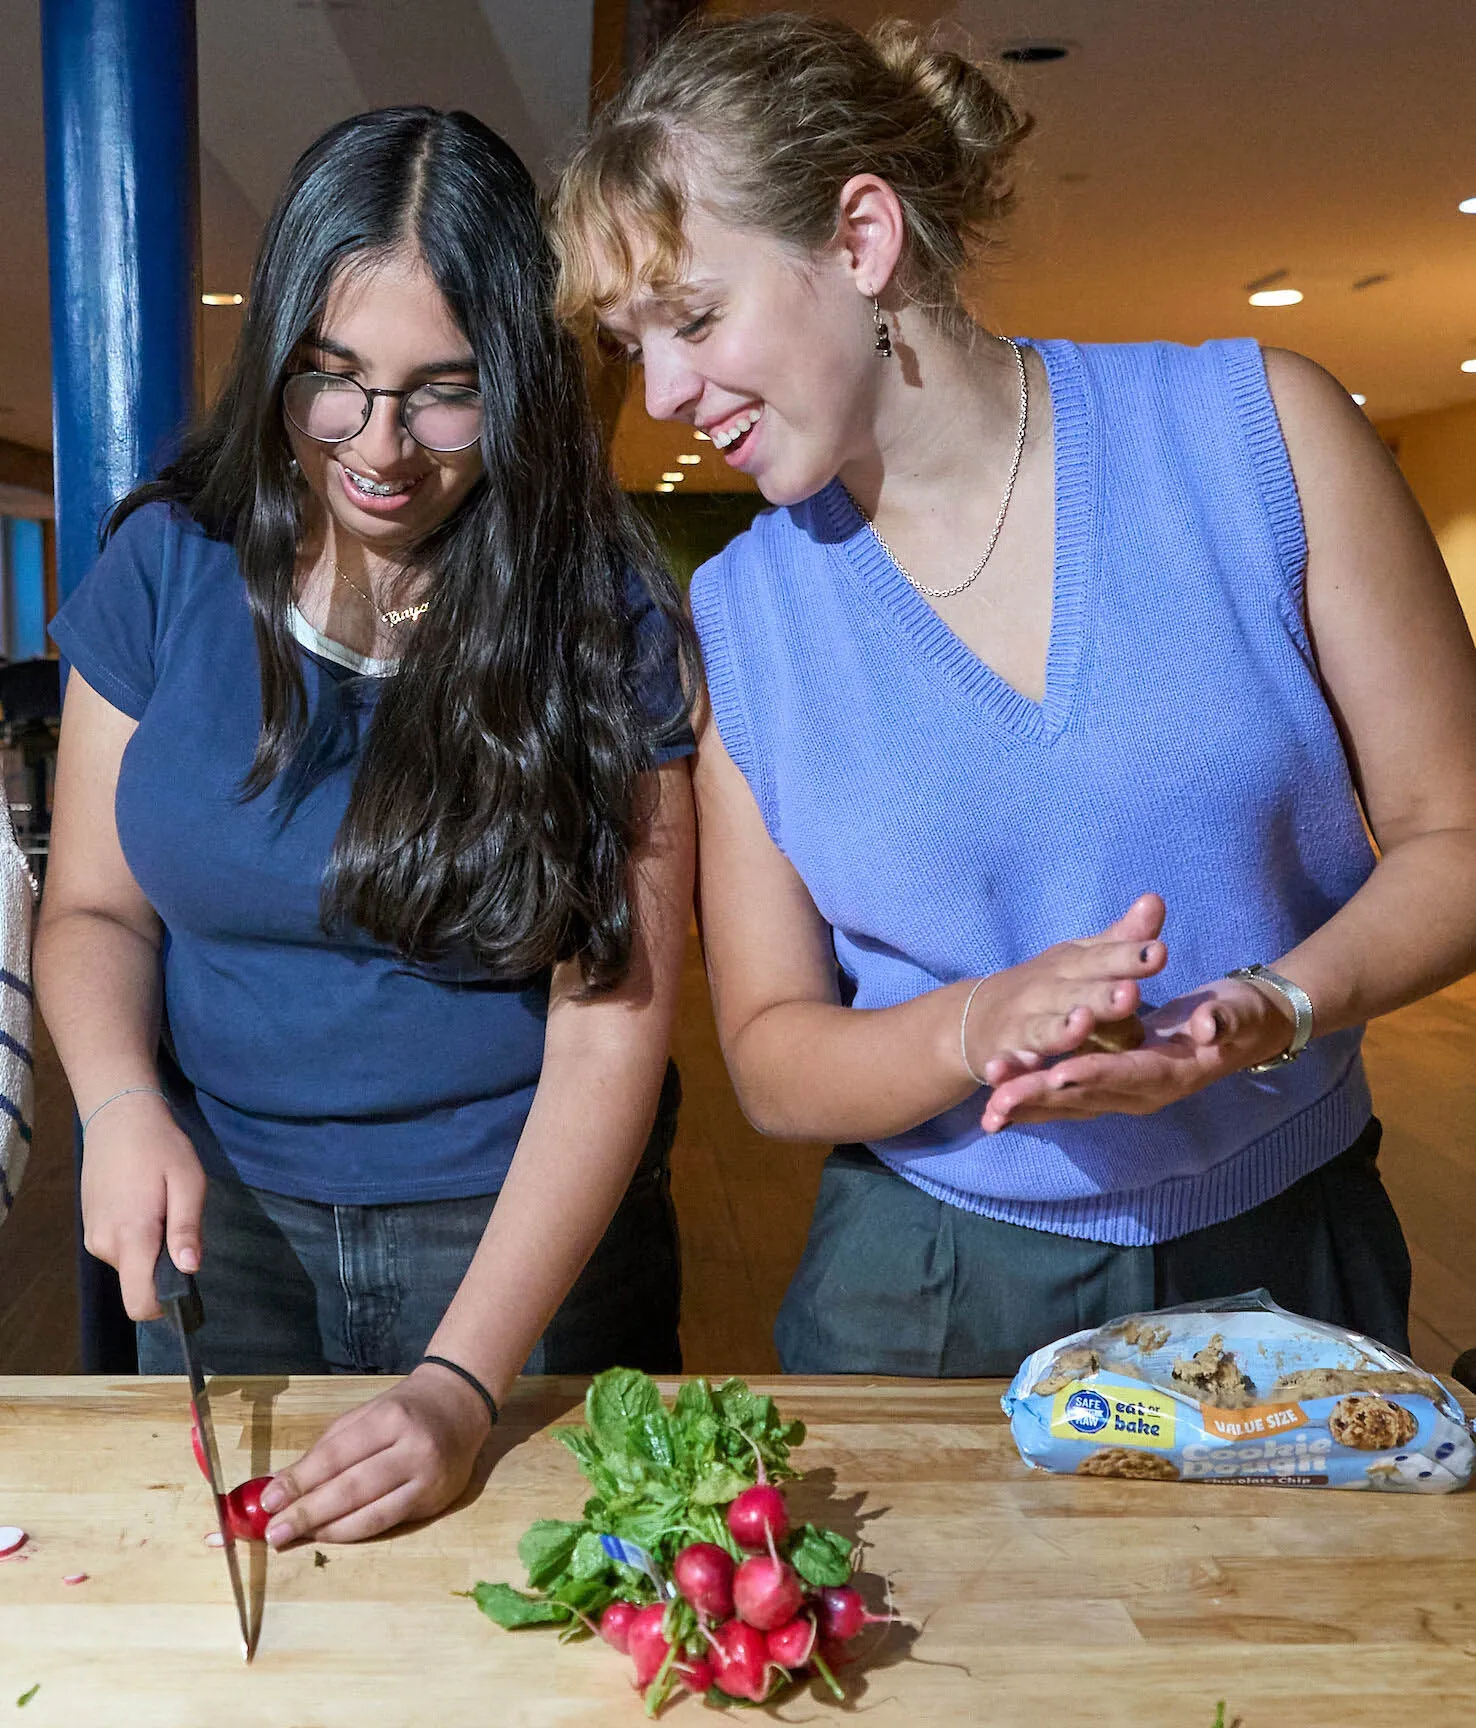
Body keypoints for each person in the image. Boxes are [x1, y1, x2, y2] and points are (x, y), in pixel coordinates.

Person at [550, 14, 1476, 1375]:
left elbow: (1457, 835)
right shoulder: (746, 617)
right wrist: (978, 1023)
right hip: (927, 1289)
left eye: (692, 319)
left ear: (862, 239)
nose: (667, 392)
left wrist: (1273, 1006)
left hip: (1288, 1248)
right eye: (635, 347)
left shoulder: (1262, 436)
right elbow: (772, 1053)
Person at [35, 107, 696, 1544]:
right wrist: (120, 1104)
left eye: (445, 395)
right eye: (331, 381)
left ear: (519, 381)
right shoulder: (167, 566)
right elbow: (92, 908)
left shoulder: (601, 613)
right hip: (226, 1215)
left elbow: (614, 1021)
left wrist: (461, 1384)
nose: (379, 447)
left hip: (521, 1238)